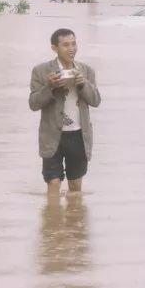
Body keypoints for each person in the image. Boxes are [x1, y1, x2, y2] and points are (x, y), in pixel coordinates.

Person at [29, 28, 102, 194]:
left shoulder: (86, 71)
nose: (71, 49)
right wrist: (51, 87)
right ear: (54, 48)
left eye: (74, 44)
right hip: (52, 135)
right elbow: (33, 104)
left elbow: (96, 101)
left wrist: (83, 84)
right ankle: (52, 218)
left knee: (75, 190)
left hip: (78, 136)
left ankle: (73, 219)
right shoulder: (41, 71)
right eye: (66, 45)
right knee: (53, 185)